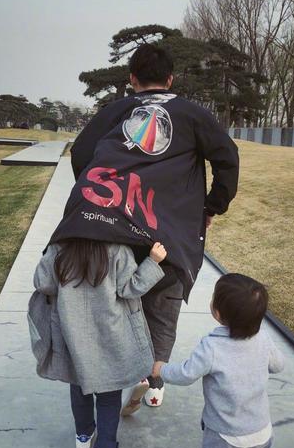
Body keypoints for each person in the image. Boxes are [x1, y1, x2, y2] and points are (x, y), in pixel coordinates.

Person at [51, 43, 240, 410]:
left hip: (112, 231)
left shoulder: (115, 111)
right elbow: (227, 156)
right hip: (168, 233)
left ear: (132, 79)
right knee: (164, 304)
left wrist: (101, 198)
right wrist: (212, 205)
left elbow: (81, 154)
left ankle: (118, 370)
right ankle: (153, 379)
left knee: (119, 301)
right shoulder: (192, 113)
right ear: (170, 79)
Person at [33, 238, 168, 448]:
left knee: (79, 387)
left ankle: (83, 433)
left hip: (72, 335)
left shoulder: (60, 248)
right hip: (110, 337)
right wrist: (152, 262)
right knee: (109, 396)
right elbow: (130, 288)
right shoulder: (118, 249)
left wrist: (50, 250)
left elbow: (43, 283)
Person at [152, 274, 285, 448]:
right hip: (261, 431)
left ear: (218, 313)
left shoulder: (212, 347)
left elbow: (186, 374)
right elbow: (279, 365)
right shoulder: (263, 339)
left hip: (226, 436)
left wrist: (162, 370)